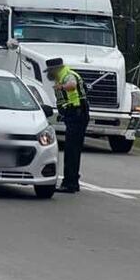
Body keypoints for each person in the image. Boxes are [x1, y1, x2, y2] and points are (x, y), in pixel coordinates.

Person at [46, 57, 89, 193]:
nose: (48, 74)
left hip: (76, 115)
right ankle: (72, 180)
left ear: (55, 69)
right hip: (74, 114)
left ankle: (70, 183)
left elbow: (72, 85)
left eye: (49, 71)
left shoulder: (67, 76)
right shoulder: (63, 76)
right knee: (72, 150)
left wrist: (62, 87)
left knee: (72, 150)